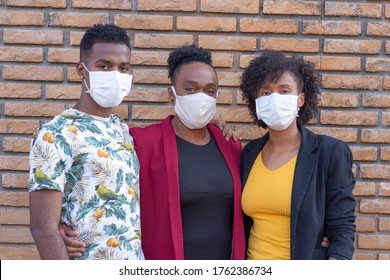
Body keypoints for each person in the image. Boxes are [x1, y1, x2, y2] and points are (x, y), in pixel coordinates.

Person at [61, 45, 246, 260]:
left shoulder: (230, 145)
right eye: (191, 89)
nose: (201, 97)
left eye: (209, 91)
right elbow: (93, 176)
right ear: (172, 93)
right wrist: (58, 223)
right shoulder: (142, 142)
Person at [28, 24, 144, 260]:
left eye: (123, 68)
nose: (115, 74)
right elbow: (43, 227)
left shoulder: (120, 128)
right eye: (104, 66)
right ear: (82, 70)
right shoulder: (56, 133)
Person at [239, 51, 356, 260]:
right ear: (256, 101)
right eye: (266, 92)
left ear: (300, 99)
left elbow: (342, 224)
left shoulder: (329, 152)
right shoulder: (248, 154)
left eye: (284, 91)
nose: (275, 98)